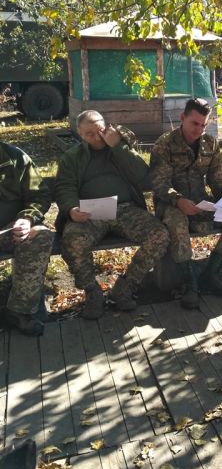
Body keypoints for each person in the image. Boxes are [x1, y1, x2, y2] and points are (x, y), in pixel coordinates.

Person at [55, 110, 169, 319]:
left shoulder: (120, 148)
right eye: (89, 133)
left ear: (106, 126)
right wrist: (71, 209)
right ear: (80, 135)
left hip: (124, 209)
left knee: (159, 234)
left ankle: (125, 287)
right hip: (90, 211)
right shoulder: (73, 158)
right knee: (73, 240)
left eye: (99, 130)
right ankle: (93, 292)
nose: (96, 137)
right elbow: (65, 187)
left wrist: (118, 146)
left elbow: (143, 176)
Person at [150, 98, 222, 309]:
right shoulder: (164, 144)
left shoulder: (210, 144)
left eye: (203, 125)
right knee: (176, 221)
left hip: (201, 203)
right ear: (183, 118)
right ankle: (190, 283)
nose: (198, 130)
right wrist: (178, 200)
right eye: (194, 123)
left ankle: (211, 274)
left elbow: (218, 182)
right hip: (171, 204)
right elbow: (159, 183)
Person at [0, 141, 53, 336]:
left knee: (40, 236)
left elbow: (39, 195)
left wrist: (26, 218)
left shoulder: (14, 158)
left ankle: (20, 310)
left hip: (9, 229)